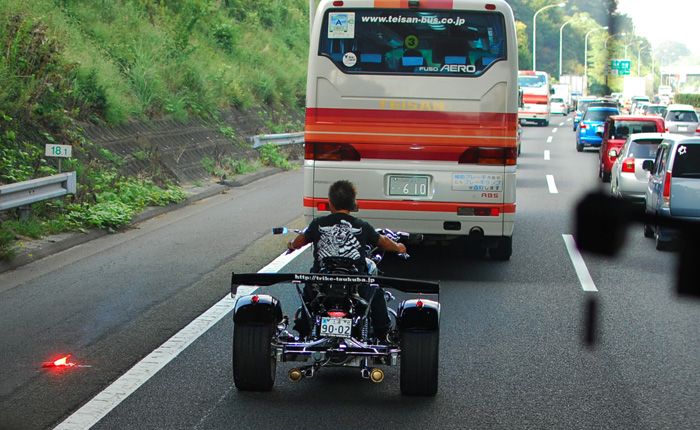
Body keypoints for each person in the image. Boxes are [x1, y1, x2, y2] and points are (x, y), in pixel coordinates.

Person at [287, 180, 406, 340]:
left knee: (308, 293)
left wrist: (291, 245)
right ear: (353, 204)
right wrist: (399, 247)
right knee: (376, 292)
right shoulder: (362, 226)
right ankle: (383, 334)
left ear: (330, 203)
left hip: (322, 282)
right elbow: (383, 242)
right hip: (355, 283)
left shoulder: (318, 223)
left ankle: (304, 331)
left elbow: (300, 240)